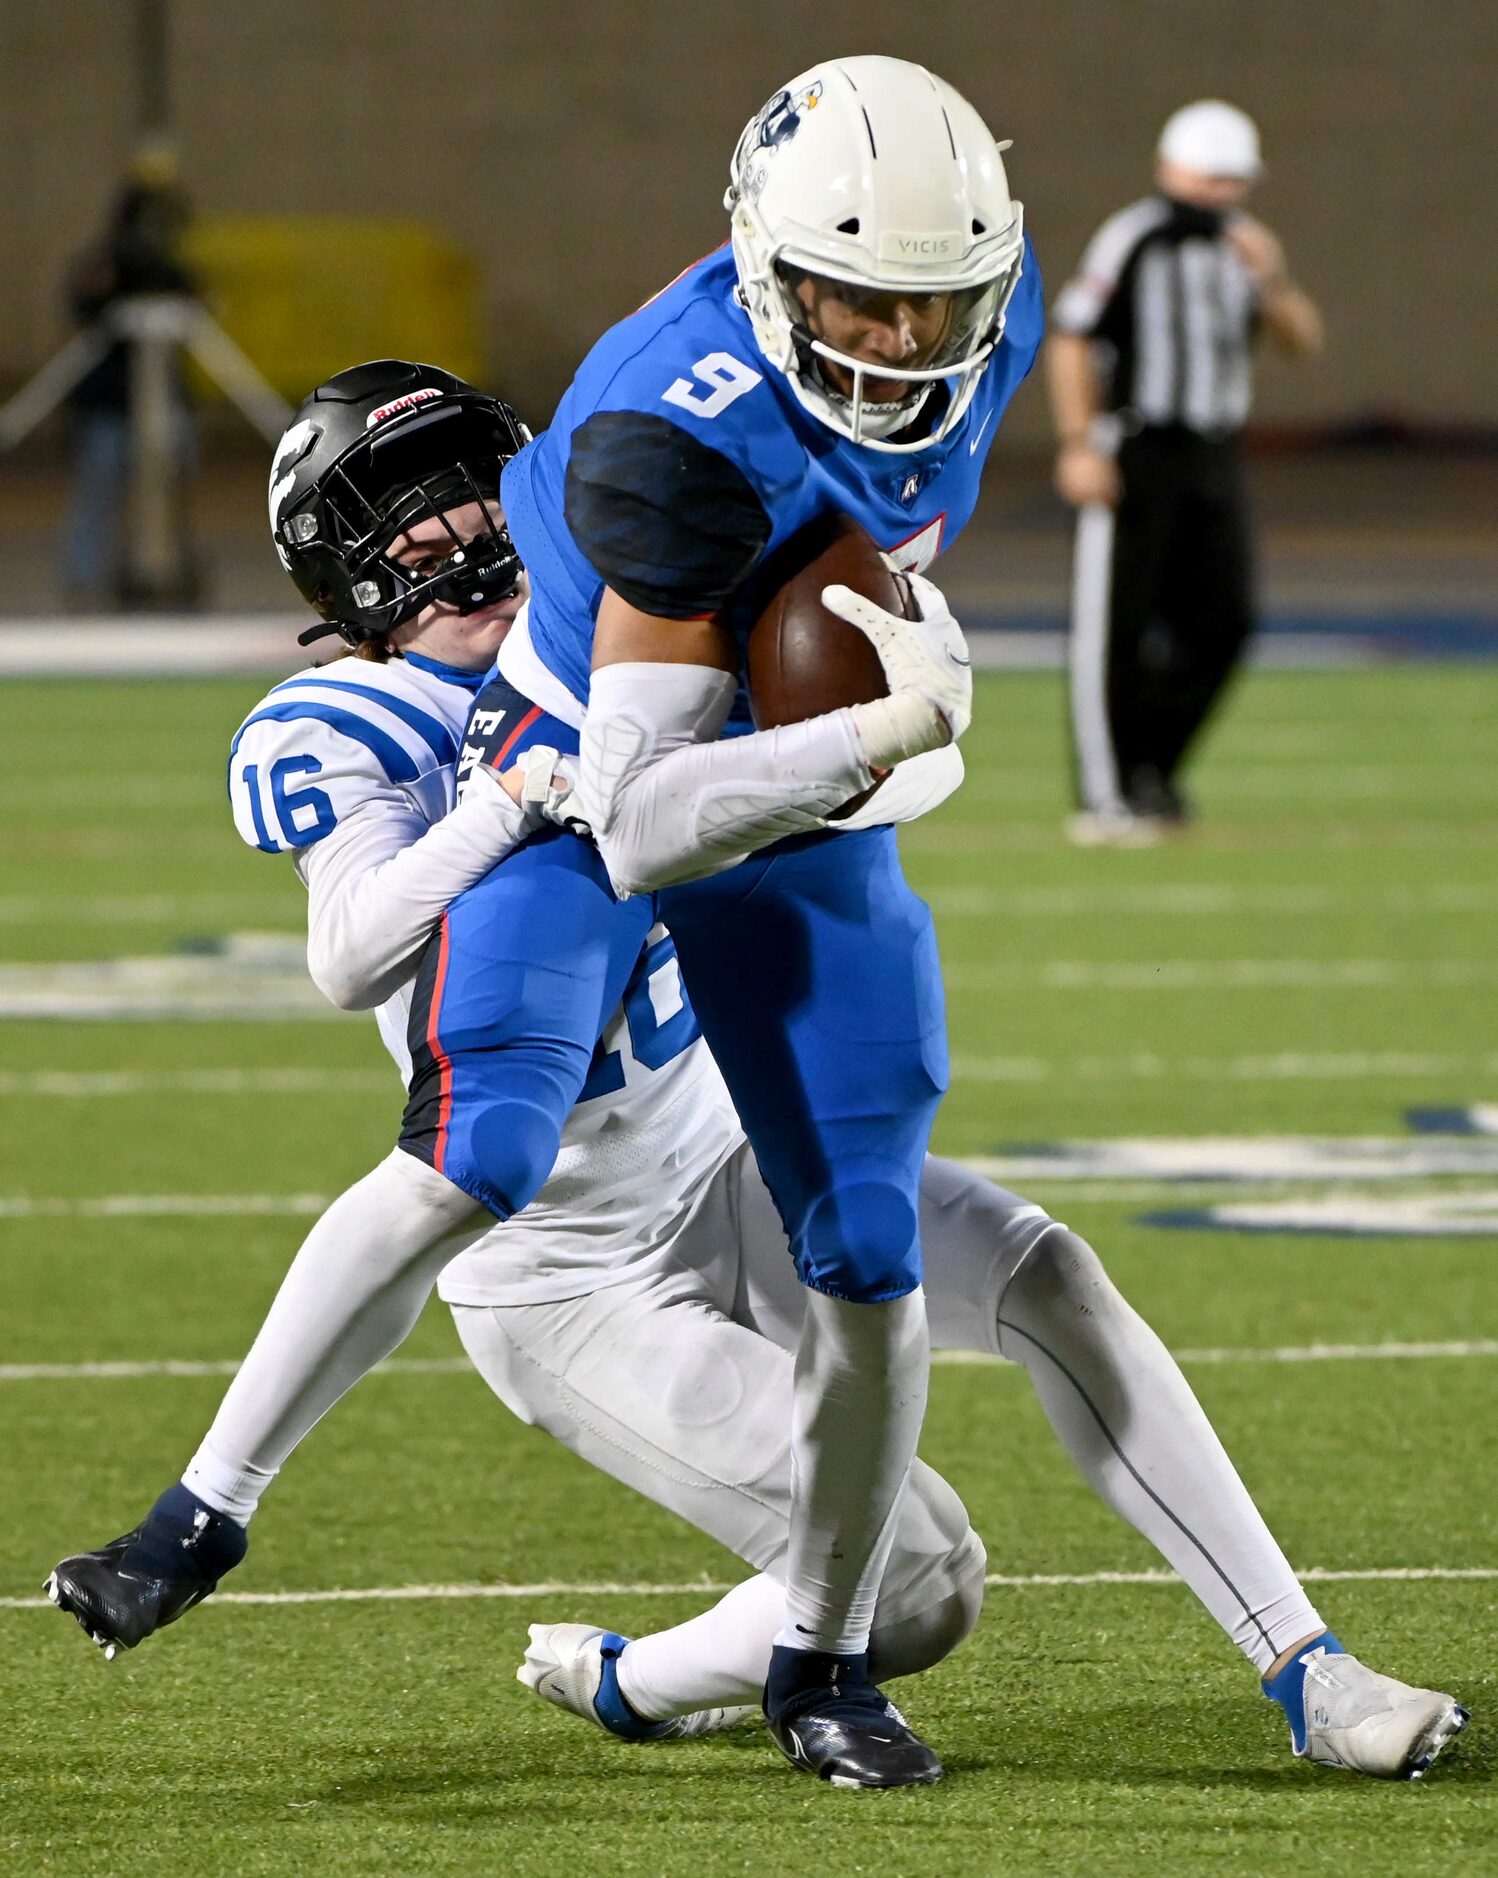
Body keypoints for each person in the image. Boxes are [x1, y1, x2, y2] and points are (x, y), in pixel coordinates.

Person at [47, 361, 1466, 1786]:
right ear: (347, 578)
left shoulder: (644, 650)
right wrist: (509, 799)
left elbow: (856, 787)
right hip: (569, 1265)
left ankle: (1310, 1667)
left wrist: (892, 726)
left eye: (481, 510)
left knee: (1050, 1273)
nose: (468, 550)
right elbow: (351, 948)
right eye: (416, 539)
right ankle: (636, 1679)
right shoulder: (345, 726)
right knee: (921, 1577)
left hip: (729, 1150)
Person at [1047, 99, 1324, 844]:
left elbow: (1302, 339)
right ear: (1172, 171)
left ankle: (1152, 771)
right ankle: (1107, 795)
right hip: (1138, 447)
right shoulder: (1132, 237)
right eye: (1210, 178)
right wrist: (1079, 442)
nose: (1220, 194)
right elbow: (1071, 335)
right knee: (1122, 624)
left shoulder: (1247, 248)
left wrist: (1274, 280)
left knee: (1225, 618)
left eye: (1233, 180)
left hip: (1215, 451)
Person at [58, 143, 200, 607]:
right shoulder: (102, 262)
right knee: (97, 492)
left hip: (161, 400)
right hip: (108, 400)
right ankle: (82, 580)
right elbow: (82, 306)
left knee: (171, 481)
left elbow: (193, 297)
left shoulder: (169, 264)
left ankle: (169, 569)